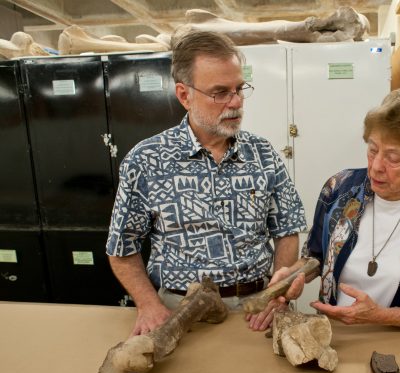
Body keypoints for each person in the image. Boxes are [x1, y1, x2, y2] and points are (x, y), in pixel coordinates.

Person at [106, 31, 306, 335]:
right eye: (220, 92)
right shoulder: (146, 161)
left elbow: (287, 229)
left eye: (239, 88)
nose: (236, 102)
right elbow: (121, 247)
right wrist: (148, 305)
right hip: (180, 312)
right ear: (185, 95)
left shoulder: (263, 154)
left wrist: (276, 294)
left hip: (256, 311)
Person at [268, 88, 400, 331]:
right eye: (373, 149)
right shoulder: (340, 188)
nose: (376, 167)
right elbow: (315, 257)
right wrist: (292, 275)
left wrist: (380, 316)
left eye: (393, 158)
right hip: (335, 337)